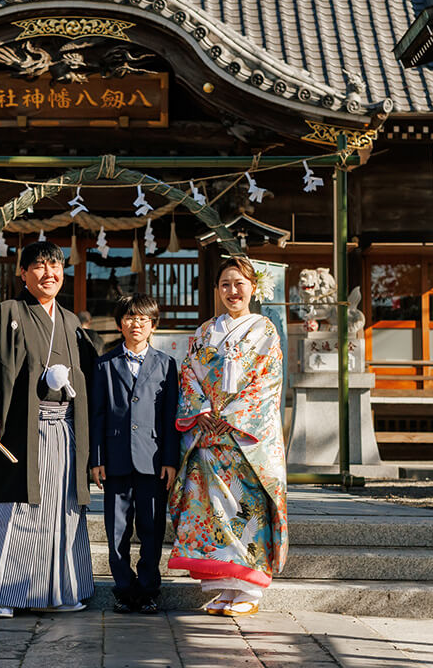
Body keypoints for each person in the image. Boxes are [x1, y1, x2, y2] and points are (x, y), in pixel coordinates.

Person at [0, 240, 98, 619]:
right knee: (19, 509)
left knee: (63, 511)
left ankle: (64, 590)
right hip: (21, 432)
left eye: (55, 266)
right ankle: (4, 593)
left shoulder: (69, 322)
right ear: (23, 273)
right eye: (39, 266)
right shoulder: (8, 313)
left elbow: (91, 377)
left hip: (64, 431)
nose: (48, 273)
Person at [167, 255, 287, 617]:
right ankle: (223, 587)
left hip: (244, 437)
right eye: (225, 285)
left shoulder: (265, 330)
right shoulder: (205, 331)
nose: (232, 291)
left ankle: (249, 586)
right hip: (208, 435)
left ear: (253, 287)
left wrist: (231, 417)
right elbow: (188, 374)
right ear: (217, 290)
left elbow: (267, 383)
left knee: (245, 508)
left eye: (239, 284)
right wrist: (202, 410)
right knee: (212, 510)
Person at [89, 293, 180, 615]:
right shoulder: (104, 364)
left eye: (143, 318)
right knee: (116, 532)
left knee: (152, 530)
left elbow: (172, 417)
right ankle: (124, 590)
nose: (136, 323)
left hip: (153, 461)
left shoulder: (167, 365)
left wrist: (170, 460)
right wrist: (96, 459)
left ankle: (149, 590)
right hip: (114, 461)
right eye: (129, 318)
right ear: (119, 324)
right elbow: (97, 415)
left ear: (153, 325)